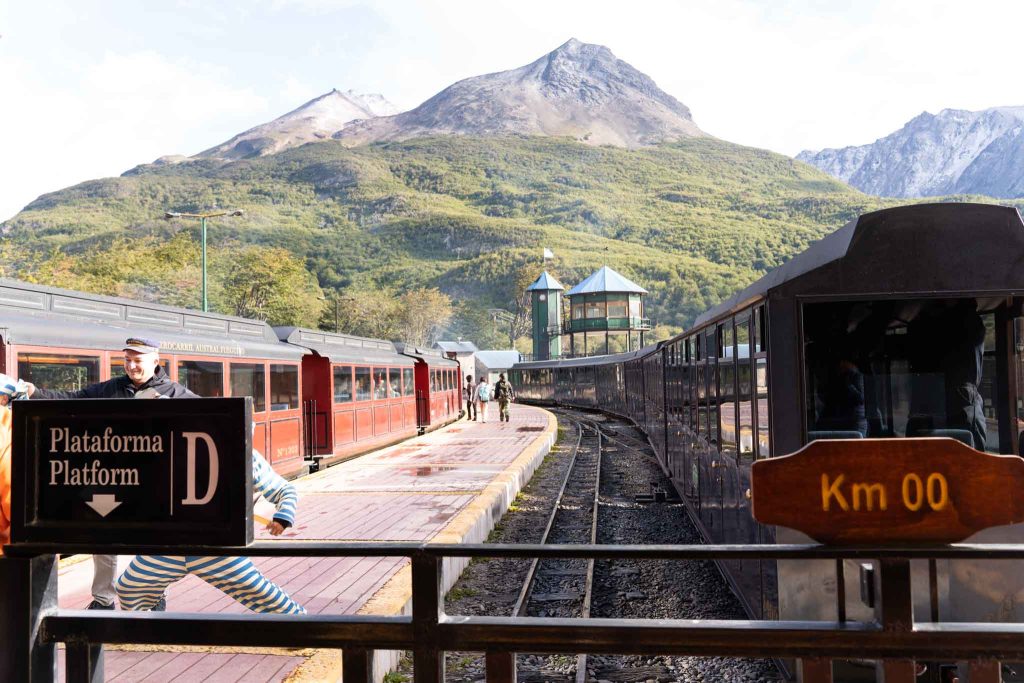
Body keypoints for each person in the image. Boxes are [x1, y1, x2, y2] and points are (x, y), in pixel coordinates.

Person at [11, 337, 196, 610]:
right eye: (128, 360)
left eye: (138, 361)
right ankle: (103, 599)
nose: (132, 367)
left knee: (154, 537)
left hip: (155, 479)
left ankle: (154, 594)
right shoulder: (112, 388)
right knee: (101, 533)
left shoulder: (176, 393)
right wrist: (35, 391)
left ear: (156, 362)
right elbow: (73, 399)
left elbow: (208, 420)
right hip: (114, 476)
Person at [115, 444, 306, 615]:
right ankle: (146, 620)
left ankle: (305, 626)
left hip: (217, 547)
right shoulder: (162, 452)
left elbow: (285, 490)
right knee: (128, 587)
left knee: (264, 595)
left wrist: (282, 517)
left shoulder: (242, 453)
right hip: (170, 545)